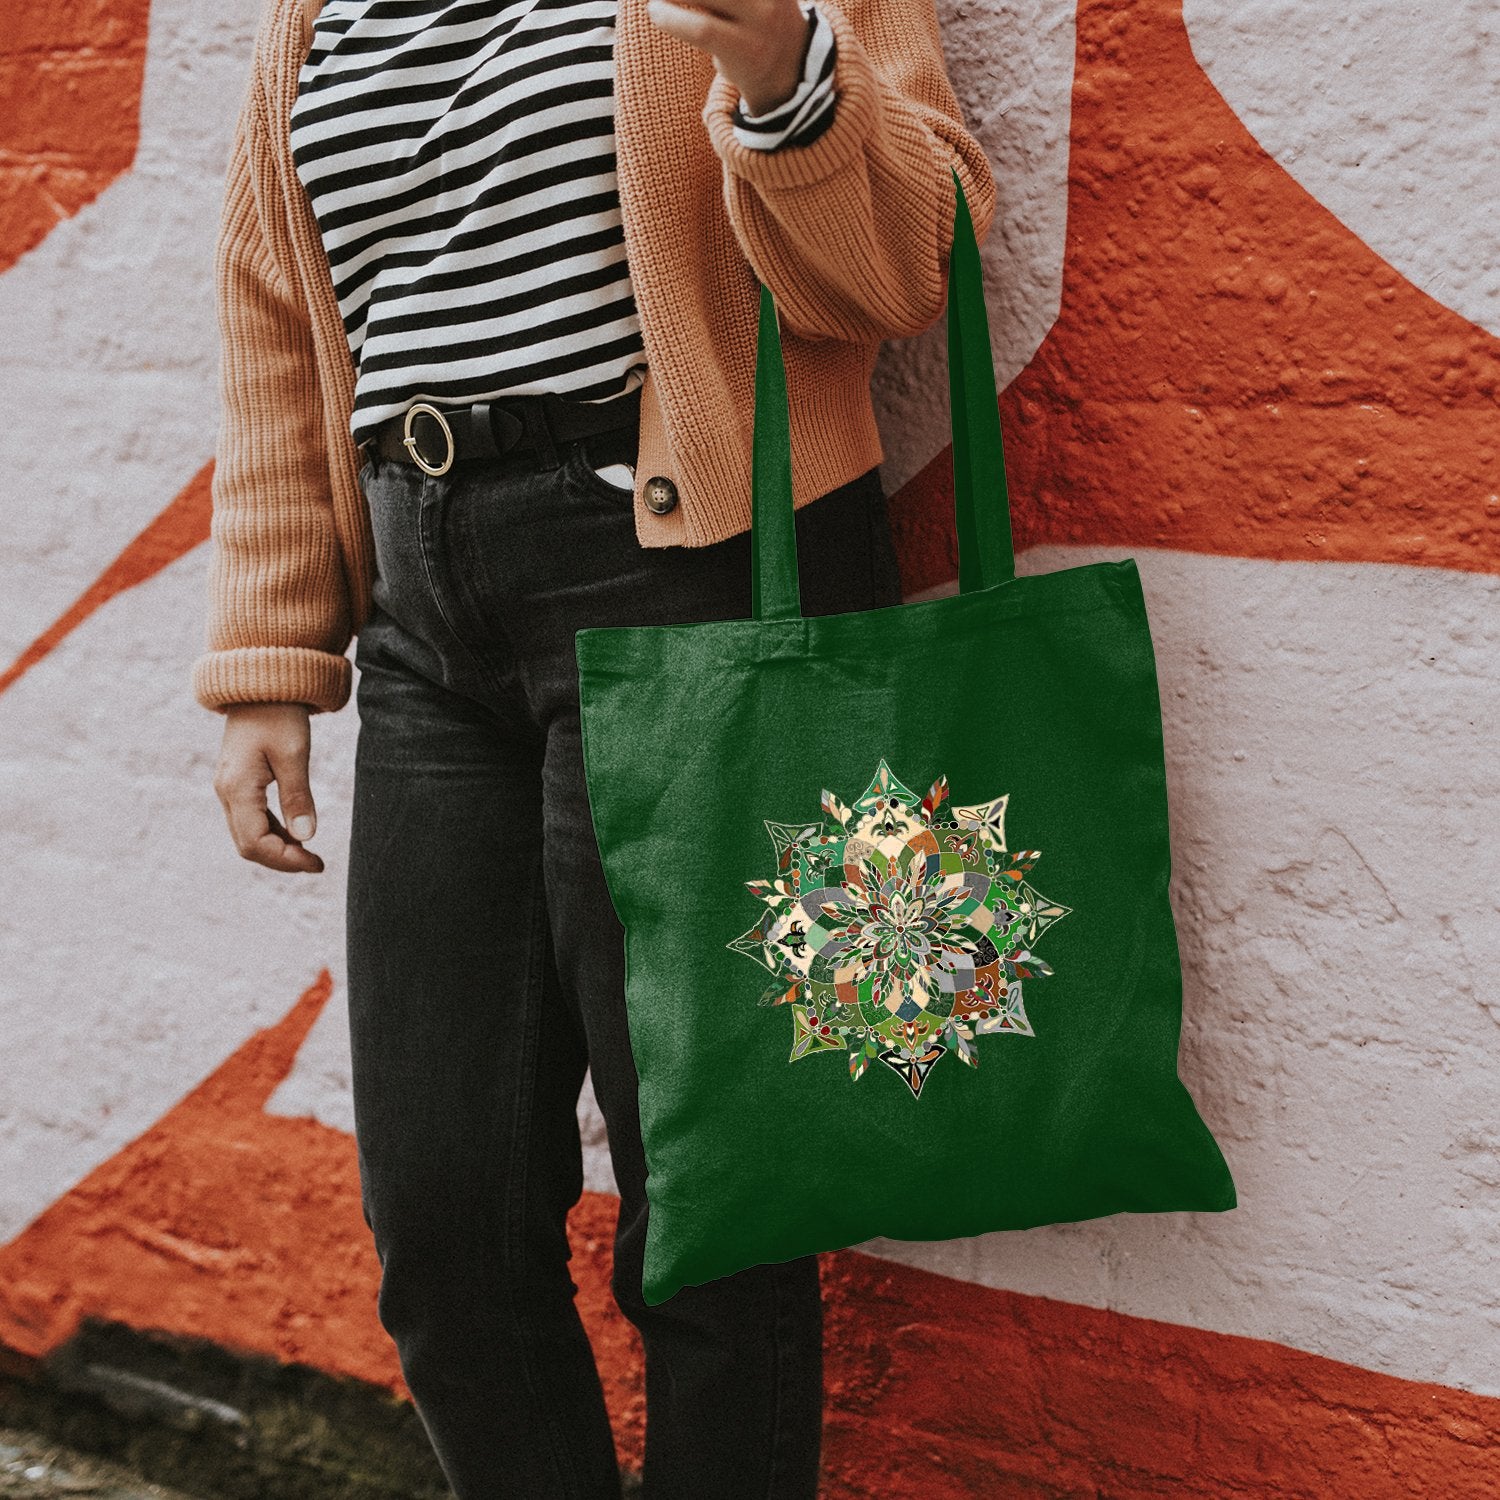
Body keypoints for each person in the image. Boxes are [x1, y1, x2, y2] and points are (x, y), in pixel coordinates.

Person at [194, 0, 996, 1492]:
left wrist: (781, 72)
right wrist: (269, 651)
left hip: (694, 578)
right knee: (443, 1226)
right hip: (426, 612)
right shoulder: (311, 12)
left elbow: (904, 265)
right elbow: (273, 315)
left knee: (708, 1209)